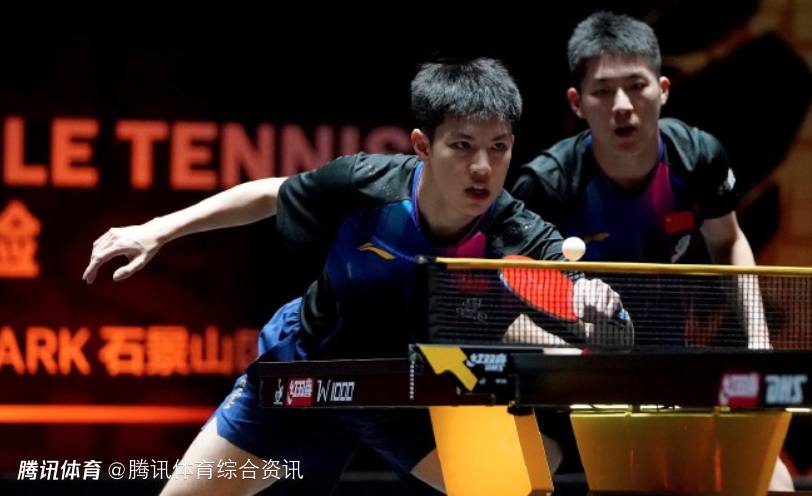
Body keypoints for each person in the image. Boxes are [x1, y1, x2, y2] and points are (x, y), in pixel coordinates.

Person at [83, 56, 629, 496]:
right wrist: (159, 229)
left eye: (499, 147)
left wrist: (598, 308)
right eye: (462, 146)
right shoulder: (365, 185)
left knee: (523, 483)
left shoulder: (518, 233)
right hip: (304, 379)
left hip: (411, 399)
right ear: (423, 145)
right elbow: (270, 194)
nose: (483, 167)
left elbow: (579, 294)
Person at [509, 10, 794, 491]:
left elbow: (727, 241)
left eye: (636, 86)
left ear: (662, 89)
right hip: (573, 383)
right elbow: (505, 301)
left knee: (776, 484)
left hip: (670, 367)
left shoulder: (697, 157)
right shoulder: (546, 185)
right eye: (603, 91)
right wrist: (572, 357)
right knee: (516, 482)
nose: (622, 105)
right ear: (577, 103)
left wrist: (759, 343)